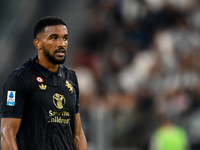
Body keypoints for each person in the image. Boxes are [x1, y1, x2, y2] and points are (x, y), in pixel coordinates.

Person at [1, 16, 88, 150]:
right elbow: (7, 133)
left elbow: (77, 133)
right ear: (38, 43)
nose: (61, 44)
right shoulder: (19, 78)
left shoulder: (71, 77)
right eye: (54, 38)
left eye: (65, 38)